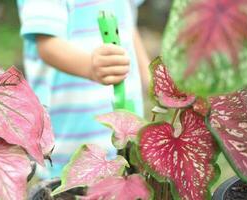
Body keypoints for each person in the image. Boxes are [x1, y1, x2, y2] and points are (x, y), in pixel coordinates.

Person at [17, 0, 150, 178]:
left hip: (125, 134)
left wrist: (149, 77)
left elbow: (128, 25)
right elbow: (47, 45)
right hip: (70, 144)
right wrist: (90, 67)